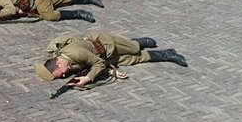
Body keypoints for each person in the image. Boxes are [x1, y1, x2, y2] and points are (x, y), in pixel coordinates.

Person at [34, 32, 188, 87]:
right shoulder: (67, 63)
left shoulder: (75, 53)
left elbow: (97, 64)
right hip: (104, 56)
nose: (63, 75)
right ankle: (168, 54)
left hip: (106, 44)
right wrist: (110, 72)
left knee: (134, 49)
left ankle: (138, 42)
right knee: (133, 60)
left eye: (60, 73)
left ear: (58, 63)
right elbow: (94, 64)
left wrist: (87, 78)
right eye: (60, 77)